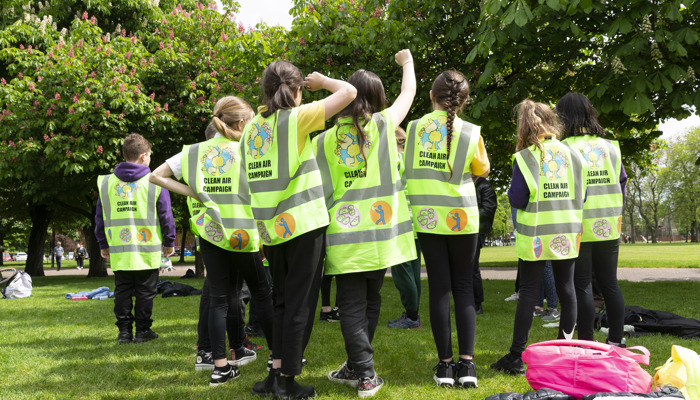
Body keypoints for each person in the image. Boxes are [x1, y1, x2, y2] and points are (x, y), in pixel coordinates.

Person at [242, 61, 356, 399]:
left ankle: (275, 372)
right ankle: (287, 382)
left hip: (271, 229)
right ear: (297, 91)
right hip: (304, 225)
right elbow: (349, 92)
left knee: (280, 301)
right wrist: (322, 82)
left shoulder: (251, 128)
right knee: (300, 306)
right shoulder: (297, 118)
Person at [149, 97, 274, 386]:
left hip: (211, 231)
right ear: (242, 123)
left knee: (218, 298)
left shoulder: (192, 153)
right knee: (262, 292)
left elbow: (155, 176)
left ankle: (220, 367)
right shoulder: (248, 149)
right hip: (243, 231)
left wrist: (194, 193)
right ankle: (276, 356)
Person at [315, 49, 416, 397]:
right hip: (381, 235)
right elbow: (409, 94)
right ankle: (363, 371)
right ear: (377, 99)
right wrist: (407, 63)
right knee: (369, 303)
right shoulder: (386, 126)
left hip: (344, 237)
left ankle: (362, 371)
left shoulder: (323, 140)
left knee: (354, 306)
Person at [404, 70, 490, 388]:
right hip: (463, 217)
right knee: (464, 288)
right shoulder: (470, 131)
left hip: (428, 217)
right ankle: (467, 366)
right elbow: (482, 169)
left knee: (439, 288)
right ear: (464, 100)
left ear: (431, 96)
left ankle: (444, 367)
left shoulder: (414, 129)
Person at [491, 99, 587, 375]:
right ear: (553, 121)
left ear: (524, 125)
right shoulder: (573, 154)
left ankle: (516, 356)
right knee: (567, 290)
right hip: (567, 231)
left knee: (529, 293)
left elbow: (519, 198)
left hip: (535, 234)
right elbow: (582, 195)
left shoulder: (526, 157)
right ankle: (564, 354)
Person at [556, 92, 627, 347]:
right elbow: (622, 183)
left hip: (579, 224)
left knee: (582, 284)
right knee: (610, 282)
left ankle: (586, 342)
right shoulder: (609, 147)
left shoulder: (563, 149)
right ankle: (616, 340)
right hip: (609, 222)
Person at [187, 124, 258, 372]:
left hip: (208, 234)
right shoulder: (233, 154)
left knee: (215, 294)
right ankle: (231, 349)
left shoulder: (196, 162)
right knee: (229, 294)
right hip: (232, 234)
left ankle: (208, 351)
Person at [95, 133, 176, 345]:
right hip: (147, 250)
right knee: (145, 293)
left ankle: (124, 333)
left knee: (122, 291)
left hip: (119, 250)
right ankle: (142, 332)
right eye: (149, 155)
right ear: (142, 156)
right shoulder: (155, 181)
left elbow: (100, 217)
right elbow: (166, 215)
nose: (150, 159)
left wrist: (103, 243)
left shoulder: (106, 182)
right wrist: (169, 242)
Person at [387, 126, 423, 330]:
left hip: (400, 220)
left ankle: (412, 316)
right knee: (414, 270)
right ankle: (412, 313)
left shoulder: (393, 161)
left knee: (402, 271)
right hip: (415, 220)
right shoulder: (412, 160)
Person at [473, 176, 497, 314]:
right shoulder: (469, 183)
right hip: (468, 229)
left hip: (477, 231)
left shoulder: (484, 186)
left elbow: (488, 209)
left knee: (472, 269)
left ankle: (477, 305)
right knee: (467, 269)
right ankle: (470, 303)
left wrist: (468, 215)